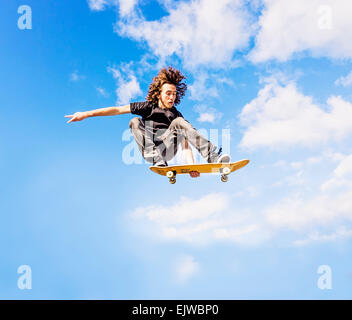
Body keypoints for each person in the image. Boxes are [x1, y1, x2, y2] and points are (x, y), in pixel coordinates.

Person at [65, 67, 230, 178]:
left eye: (174, 94)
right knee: (134, 121)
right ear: (159, 94)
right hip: (150, 149)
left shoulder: (175, 115)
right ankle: (156, 158)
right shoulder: (146, 107)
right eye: (168, 93)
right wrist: (86, 114)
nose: (171, 97)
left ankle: (213, 156)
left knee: (181, 122)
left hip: (168, 148)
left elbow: (186, 143)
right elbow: (116, 110)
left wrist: (193, 166)